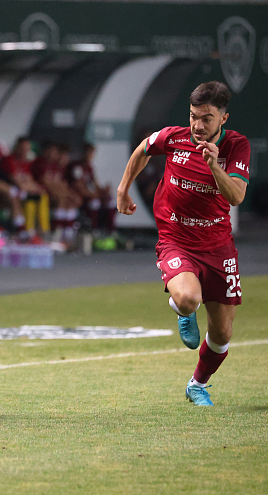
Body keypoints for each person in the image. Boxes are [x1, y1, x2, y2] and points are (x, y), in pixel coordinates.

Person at [117, 81, 250, 406]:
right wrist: (123, 188)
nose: (197, 125)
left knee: (222, 333)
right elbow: (143, 149)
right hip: (175, 238)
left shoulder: (236, 146)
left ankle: (197, 385)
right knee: (189, 299)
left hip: (218, 246)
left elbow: (236, 196)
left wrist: (213, 165)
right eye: (193, 116)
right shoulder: (174, 138)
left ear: (223, 118)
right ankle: (181, 308)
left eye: (206, 118)